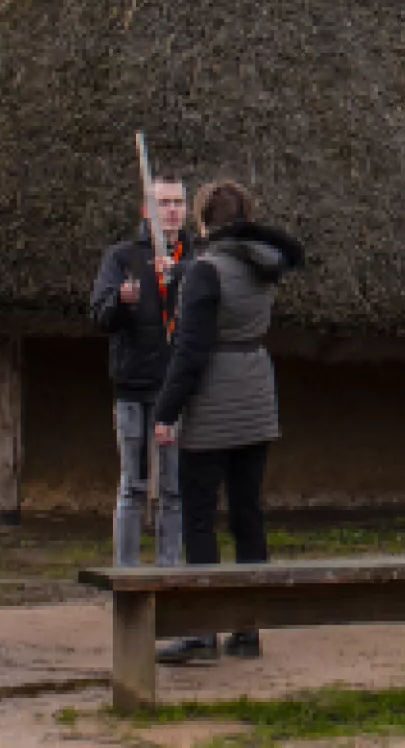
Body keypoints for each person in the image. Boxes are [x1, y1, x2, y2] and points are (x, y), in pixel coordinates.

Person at [151, 181, 304, 664]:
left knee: (199, 515)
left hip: (215, 398)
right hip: (257, 391)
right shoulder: (264, 265)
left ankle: (202, 629)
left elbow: (191, 350)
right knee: (247, 513)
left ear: (202, 221)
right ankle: (247, 628)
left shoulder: (205, 271)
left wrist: (166, 410)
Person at [90, 175, 193, 569]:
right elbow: (99, 315)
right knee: (132, 486)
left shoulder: (194, 257)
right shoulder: (122, 257)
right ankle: (127, 575)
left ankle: (168, 570)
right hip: (133, 386)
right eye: (163, 203)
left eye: (178, 202)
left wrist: (180, 274)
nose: (171, 210)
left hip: (174, 388)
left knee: (172, 490)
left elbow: (212, 310)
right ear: (146, 210)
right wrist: (121, 298)